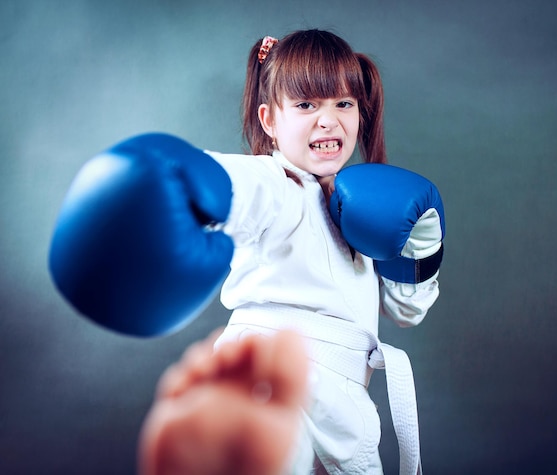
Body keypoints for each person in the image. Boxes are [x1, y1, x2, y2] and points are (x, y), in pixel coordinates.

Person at [48, 29, 444, 475]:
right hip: (273, 391)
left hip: (346, 415)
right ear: (269, 121)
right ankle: (210, 445)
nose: (329, 120)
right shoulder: (276, 184)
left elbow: (406, 311)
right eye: (306, 104)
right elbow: (235, 185)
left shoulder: (364, 216)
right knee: (258, 457)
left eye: (344, 103)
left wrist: (423, 244)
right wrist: (186, 176)